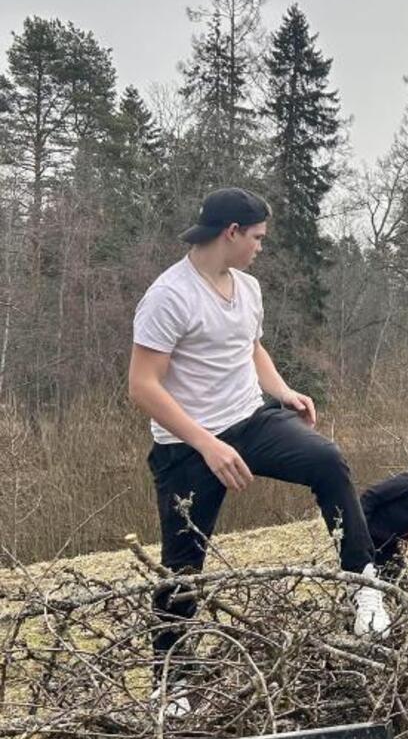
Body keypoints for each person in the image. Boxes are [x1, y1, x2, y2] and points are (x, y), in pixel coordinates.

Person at [129, 188, 390, 668]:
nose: (261, 248)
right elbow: (143, 386)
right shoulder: (169, 296)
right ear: (230, 233)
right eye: (257, 237)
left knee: (328, 461)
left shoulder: (247, 288)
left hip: (250, 420)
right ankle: (173, 679)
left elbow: (250, 348)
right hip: (187, 447)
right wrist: (207, 445)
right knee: (183, 567)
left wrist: (284, 392)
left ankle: (364, 585)